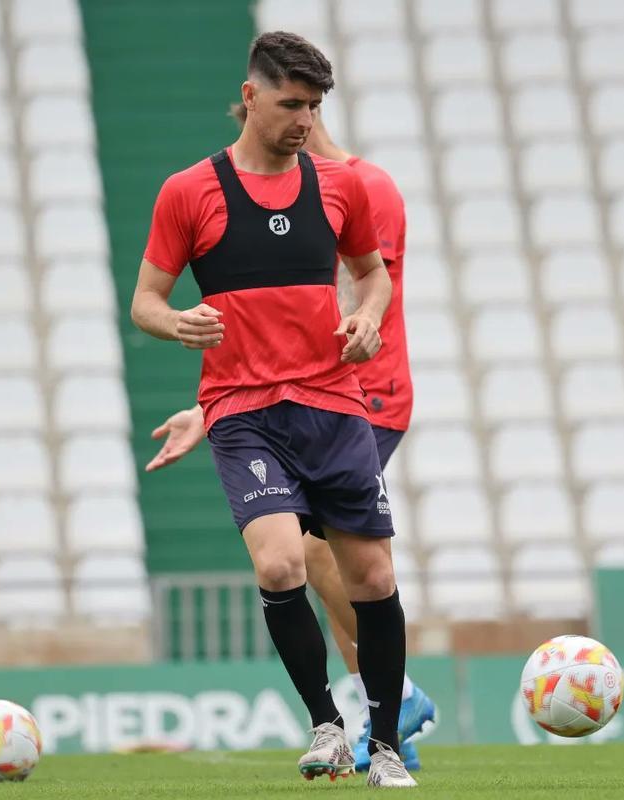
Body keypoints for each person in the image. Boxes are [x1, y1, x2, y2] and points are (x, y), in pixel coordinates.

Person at [130, 31, 416, 787]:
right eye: (291, 103)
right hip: (242, 408)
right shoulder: (188, 192)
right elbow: (145, 302)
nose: (304, 119)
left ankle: (383, 742)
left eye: (315, 106)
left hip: (332, 403)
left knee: (374, 578)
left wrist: (367, 317)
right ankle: (325, 724)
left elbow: (372, 276)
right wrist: (178, 322)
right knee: (282, 561)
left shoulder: (338, 186)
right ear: (250, 97)